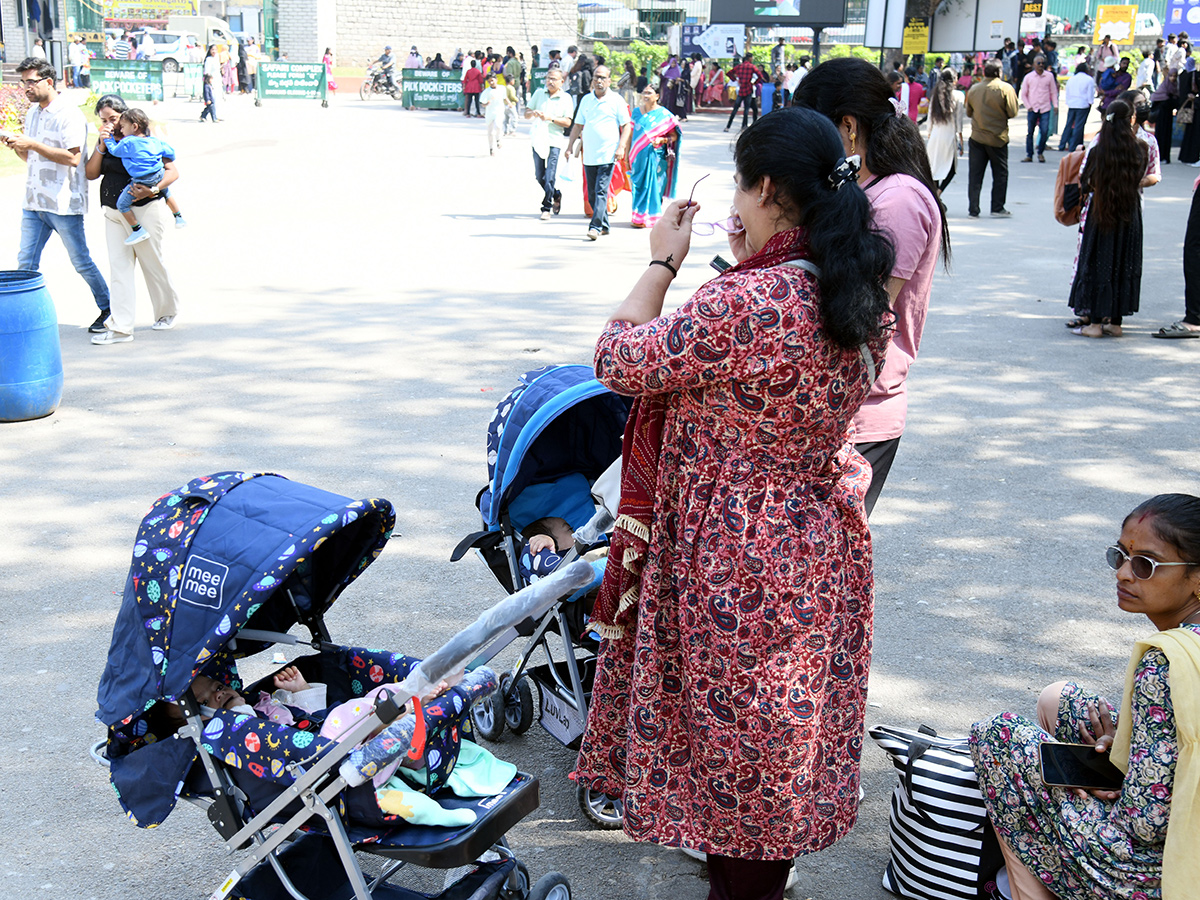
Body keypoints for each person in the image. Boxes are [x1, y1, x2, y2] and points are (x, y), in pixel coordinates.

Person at [572, 105, 896, 900]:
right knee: (771, 745)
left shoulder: (748, 302)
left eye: (741, 192)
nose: (732, 210)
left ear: (768, 189)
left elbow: (617, 358)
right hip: (814, 543)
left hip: (734, 553)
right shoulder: (851, 290)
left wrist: (662, 262)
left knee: (730, 746)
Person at [970, 493, 1200, 900]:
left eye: (1145, 565)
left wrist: (1115, 783)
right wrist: (1128, 747)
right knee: (1059, 699)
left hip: (1153, 872)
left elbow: (1146, 823)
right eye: (1120, 556)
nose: (1123, 574)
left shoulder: (1165, 664)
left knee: (998, 737)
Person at [795, 57, 948, 515]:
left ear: (847, 127)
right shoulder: (864, 188)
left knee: (827, 551)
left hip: (861, 410)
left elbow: (865, 315)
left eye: (814, 130)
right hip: (832, 404)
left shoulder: (898, 200)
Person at [3, 57, 110, 335]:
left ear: (49, 81)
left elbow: (74, 158)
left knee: (81, 262)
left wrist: (32, 144)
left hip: (63, 203)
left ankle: (109, 308)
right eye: (23, 82)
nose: (25, 87)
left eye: (30, 82)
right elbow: (31, 158)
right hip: (34, 202)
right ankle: (23, 319)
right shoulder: (33, 113)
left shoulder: (68, 114)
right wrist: (18, 145)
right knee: (26, 264)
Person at [85, 94, 181, 345]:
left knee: (152, 263)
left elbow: (172, 171)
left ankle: (166, 312)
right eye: (104, 120)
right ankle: (121, 328)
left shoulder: (145, 139)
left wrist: (154, 189)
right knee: (119, 269)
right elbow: (91, 173)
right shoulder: (106, 141)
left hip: (145, 209)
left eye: (113, 118)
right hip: (114, 213)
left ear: (126, 117)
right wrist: (101, 145)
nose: (109, 124)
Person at [1066, 99, 1147, 338]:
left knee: (1098, 263)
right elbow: (1140, 178)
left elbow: (1086, 182)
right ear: (1132, 119)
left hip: (1102, 211)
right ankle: (1116, 322)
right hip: (1130, 213)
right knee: (1123, 262)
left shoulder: (1099, 150)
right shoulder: (1140, 149)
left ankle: (1094, 324)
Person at [565, 66, 632, 241]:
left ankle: (594, 227)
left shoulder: (616, 100)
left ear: (609, 81)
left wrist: (621, 147)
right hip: (589, 155)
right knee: (593, 194)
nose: (599, 81)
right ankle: (604, 225)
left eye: (603, 78)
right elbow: (578, 125)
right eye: (596, 77)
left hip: (608, 154)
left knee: (601, 190)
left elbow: (626, 125)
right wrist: (570, 145)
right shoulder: (586, 100)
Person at [102, 108, 185, 246]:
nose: (121, 130)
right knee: (166, 192)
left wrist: (108, 139)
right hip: (158, 175)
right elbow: (171, 153)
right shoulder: (155, 141)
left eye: (123, 127)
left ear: (134, 127)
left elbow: (114, 151)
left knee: (121, 205)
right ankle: (178, 217)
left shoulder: (128, 142)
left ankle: (137, 229)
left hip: (141, 180)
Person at [965, 59, 1019, 218]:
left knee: (975, 175)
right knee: (1000, 174)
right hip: (997, 138)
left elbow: (969, 112)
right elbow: (1013, 112)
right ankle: (997, 207)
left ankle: (973, 209)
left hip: (977, 137)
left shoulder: (974, 89)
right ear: (999, 72)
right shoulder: (1005, 89)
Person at [628, 84, 680, 228]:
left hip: (656, 157)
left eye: (649, 93)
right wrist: (626, 155)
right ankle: (638, 217)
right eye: (644, 92)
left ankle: (652, 217)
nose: (645, 96)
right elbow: (631, 135)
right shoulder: (636, 112)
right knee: (638, 186)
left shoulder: (664, 115)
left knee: (654, 186)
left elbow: (674, 136)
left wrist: (662, 140)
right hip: (637, 157)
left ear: (657, 96)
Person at [526, 67, 573, 220]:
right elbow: (526, 113)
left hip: (554, 139)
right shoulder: (539, 94)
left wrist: (550, 118)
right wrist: (533, 113)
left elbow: (568, 122)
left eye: (554, 79)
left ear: (562, 82)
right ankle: (556, 194)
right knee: (539, 175)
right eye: (548, 78)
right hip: (539, 138)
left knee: (550, 174)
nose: (550, 81)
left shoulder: (566, 98)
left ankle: (546, 207)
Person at [927, 69, 964, 193]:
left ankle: (936, 193)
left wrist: (929, 133)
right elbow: (959, 120)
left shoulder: (935, 95)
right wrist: (961, 140)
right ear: (954, 79)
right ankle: (939, 192)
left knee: (935, 167)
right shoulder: (958, 95)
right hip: (949, 136)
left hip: (935, 134)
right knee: (952, 168)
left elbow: (930, 117)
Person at [1020, 55, 1058, 163]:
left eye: (1042, 63)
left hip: (1045, 108)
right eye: (1038, 63)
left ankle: (1040, 152)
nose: (1041, 65)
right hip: (1033, 108)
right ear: (1033, 65)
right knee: (1030, 132)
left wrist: (1055, 105)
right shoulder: (1029, 77)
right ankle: (1029, 154)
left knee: (1044, 131)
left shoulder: (1049, 76)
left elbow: (1053, 92)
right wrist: (1028, 106)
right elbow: (1024, 94)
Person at [1059, 62, 1095, 150]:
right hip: (1083, 104)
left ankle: (1062, 144)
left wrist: (1068, 102)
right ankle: (1073, 146)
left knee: (1069, 124)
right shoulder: (1089, 79)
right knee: (1079, 126)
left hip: (1072, 104)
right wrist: (1090, 102)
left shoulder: (1071, 79)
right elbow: (1090, 93)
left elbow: (1068, 92)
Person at [725, 54, 764, 132]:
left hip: (741, 89)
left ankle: (728, 126)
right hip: (748, 89)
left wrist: (735, 79)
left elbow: (728, 73)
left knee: (735, 109)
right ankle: (744, 126)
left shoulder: (739, 66)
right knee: (746, 109)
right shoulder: (752, 66)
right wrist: (754, 83)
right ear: (749, 58)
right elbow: (760, 76)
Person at [1150, 68, 1180, 164]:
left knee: (1167, 136)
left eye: (1174, 76)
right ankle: (1159, 156)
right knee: (1160, 135)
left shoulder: (1175, 87)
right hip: (1161, 117)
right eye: (1171, 76)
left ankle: (1166, 157)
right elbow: (1155, 99)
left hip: (1168, 117)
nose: (1172, 78)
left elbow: (1176, 102)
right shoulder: (1163, 88)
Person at [481, 74, 507, 155]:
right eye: (489, 81)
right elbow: (482, 103)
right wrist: (486, 104)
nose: (491, 83)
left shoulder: (502, 88)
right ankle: (491, 148)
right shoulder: (487, 92)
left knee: (498, 126)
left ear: (496, 80)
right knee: (490, 132)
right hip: (490, 113)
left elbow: (505, 98)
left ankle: (499, 139)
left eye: (492, 80)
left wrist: (510, 104)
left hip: (499, 111)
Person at [202, 46, 221, 120]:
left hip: (218, 79)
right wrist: (209, 80)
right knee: (212, 98)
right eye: (212, 49)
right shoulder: (209, 59)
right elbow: (207, 71)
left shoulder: (217, 57)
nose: (214, 51)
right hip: (211, 80)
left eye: (215, 49)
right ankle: (213, 116)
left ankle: (215, 115)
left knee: (217, 98)